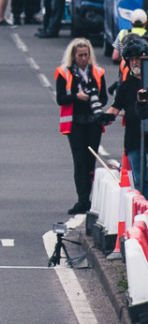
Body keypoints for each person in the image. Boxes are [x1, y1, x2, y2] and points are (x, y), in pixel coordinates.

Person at [55, 36, 110, 212]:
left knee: (90, 160)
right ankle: (82, 199)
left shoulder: (98, 72)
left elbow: (104, 97)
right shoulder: (64, 73)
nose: (83, 58)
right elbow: (60, 99)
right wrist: (77, 96)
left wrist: (94, 99)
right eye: (80, 55)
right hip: (75, 123)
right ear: (74, 56)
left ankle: (90, 198)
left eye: (86, 55)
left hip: (93, 122)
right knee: (79, 161)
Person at [114, 37, 148, 190]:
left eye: (138, 59)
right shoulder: (125, 86)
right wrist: (104, 117)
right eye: (132, 59)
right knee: (139, 179)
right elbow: (115, 107)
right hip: (133, 139)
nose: (135, 62)